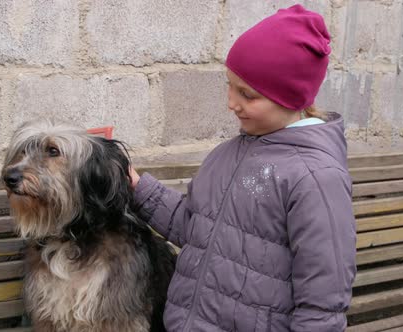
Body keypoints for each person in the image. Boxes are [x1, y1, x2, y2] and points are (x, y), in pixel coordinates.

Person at [129, 4, 357, 331]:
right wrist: (139, 188)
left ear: (291, 98)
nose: (231, 103)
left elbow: (323, 300)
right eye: (230, 85)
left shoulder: (314, 177)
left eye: (247, 94)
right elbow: (195, 229)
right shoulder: (227, 155)